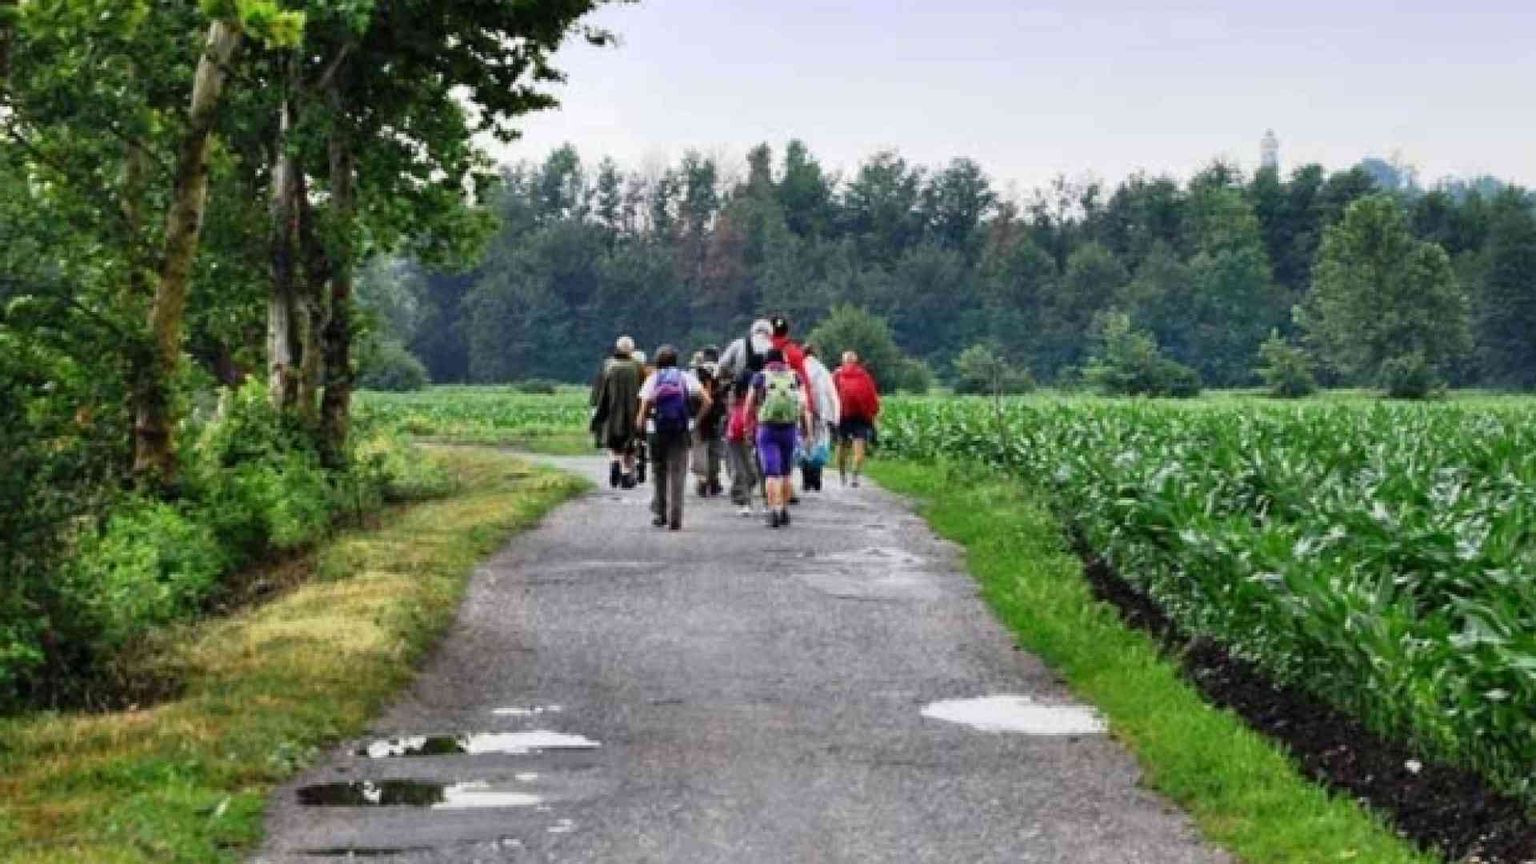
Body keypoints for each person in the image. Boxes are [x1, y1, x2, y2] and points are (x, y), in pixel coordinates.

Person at [636, 345, 710, 530]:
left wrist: (640, 428)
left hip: (656, 430)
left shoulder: (653, 378)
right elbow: (708, 401)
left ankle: (660, 513)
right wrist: (695, 422)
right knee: (677, 473)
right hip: (680, 429)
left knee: (659, 471)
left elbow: (643, 410)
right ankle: (675, 516)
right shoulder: (685, 377)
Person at [747, 348, 810, 529]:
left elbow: (750, 403)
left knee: (771, 473)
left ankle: (773, 509)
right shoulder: (795, 377)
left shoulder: (760, 377)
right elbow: (804, 404)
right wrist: (806, 430)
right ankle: (783, 509)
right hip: (790, 429)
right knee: (786, 471)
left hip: (767, 428)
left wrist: (747, 425)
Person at [589, 336, 644, 488]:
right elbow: (645, 390)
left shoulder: (609, 366)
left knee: (614, 443)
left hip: (613, 411)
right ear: (631, 350)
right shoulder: (638, 367)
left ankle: (615, 462)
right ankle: (626, 473)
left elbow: (603, 392)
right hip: (634, 410)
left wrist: (598, 413)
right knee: (630, 444)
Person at [833, 350, 881, 487]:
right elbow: (872, 396)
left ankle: (842, 474)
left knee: (842, 445)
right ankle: (854, 475)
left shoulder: (837, 375)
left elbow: (831, 395)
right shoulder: (864, 375)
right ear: (855, 361)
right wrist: (874, 413)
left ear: (843, 361)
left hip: (843, 416)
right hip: (861, 417)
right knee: (859, 446)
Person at [798, 345, 841, 492]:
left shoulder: (799, 367)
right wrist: (835, 416)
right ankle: (816, 478)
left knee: (804, 443)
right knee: (819, 443)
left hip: (802, 411)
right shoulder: (823, 370)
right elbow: (832, 394)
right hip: (821, 413)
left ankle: (806, 479)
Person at [689, 348, 726, 497]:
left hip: (700, 412)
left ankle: (702, 480)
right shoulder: (722, 372)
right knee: (715, 447)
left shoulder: (696, 372)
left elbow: (691, 393)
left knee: (700, 446)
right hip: (717, 415)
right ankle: (714, 479)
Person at [724, 379, 759, 516]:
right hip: (735, 435)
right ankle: (744, 501)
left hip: (747, 434)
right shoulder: (735, 398)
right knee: (740, 470)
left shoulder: (751, 399)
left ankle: (743, 494)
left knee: (751, 471)